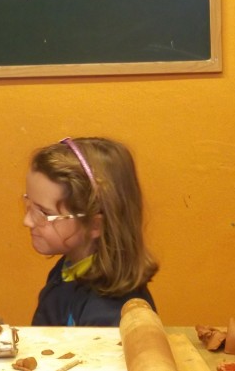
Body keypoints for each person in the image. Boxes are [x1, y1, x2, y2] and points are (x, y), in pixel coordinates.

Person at [23, 137, 159, 326]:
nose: (27, 221)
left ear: (95, 225)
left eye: (44, 213)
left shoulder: (109, 315)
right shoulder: (67, 269)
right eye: (28, 205)